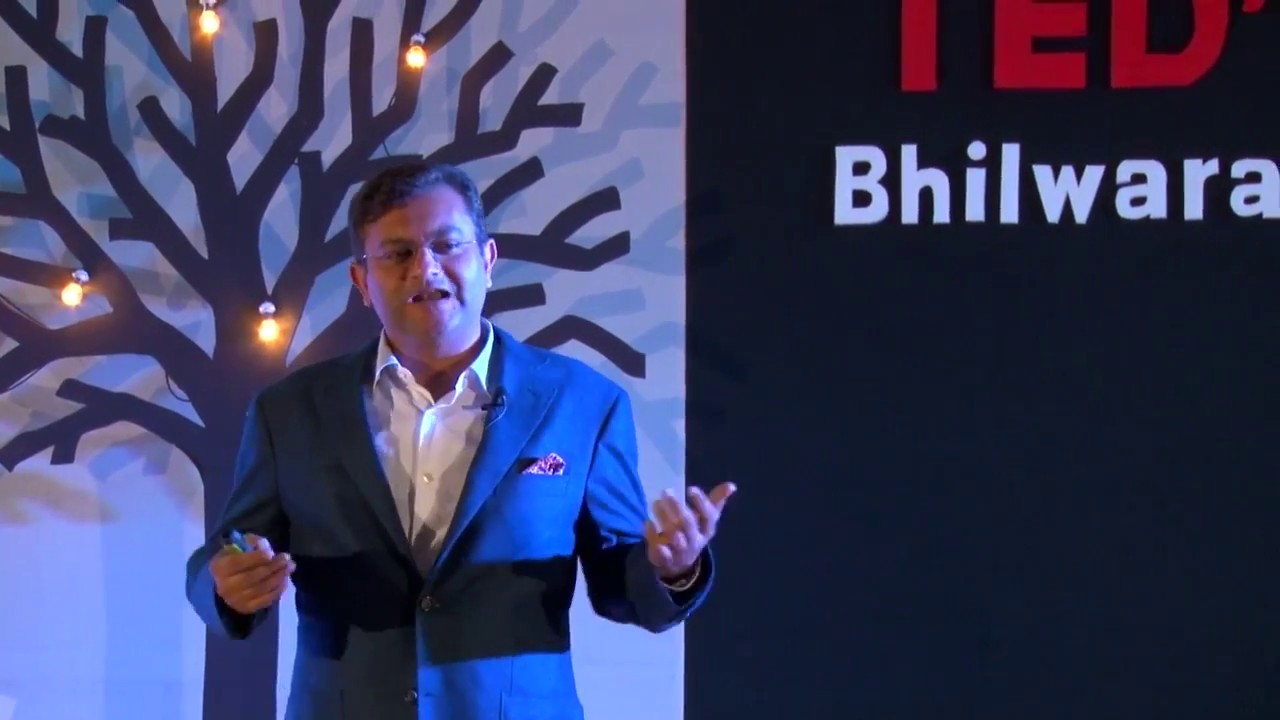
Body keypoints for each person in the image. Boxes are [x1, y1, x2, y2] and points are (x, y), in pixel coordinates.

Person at [184, 161, 736, 720]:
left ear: (488, 261)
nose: (426, 269)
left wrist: (672, 569)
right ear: (362, 282)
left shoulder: (583, 403)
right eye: (398, 253)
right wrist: (225, 582)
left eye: (448, 245)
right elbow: (231, 548)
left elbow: (620, 582)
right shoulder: (290, 411)